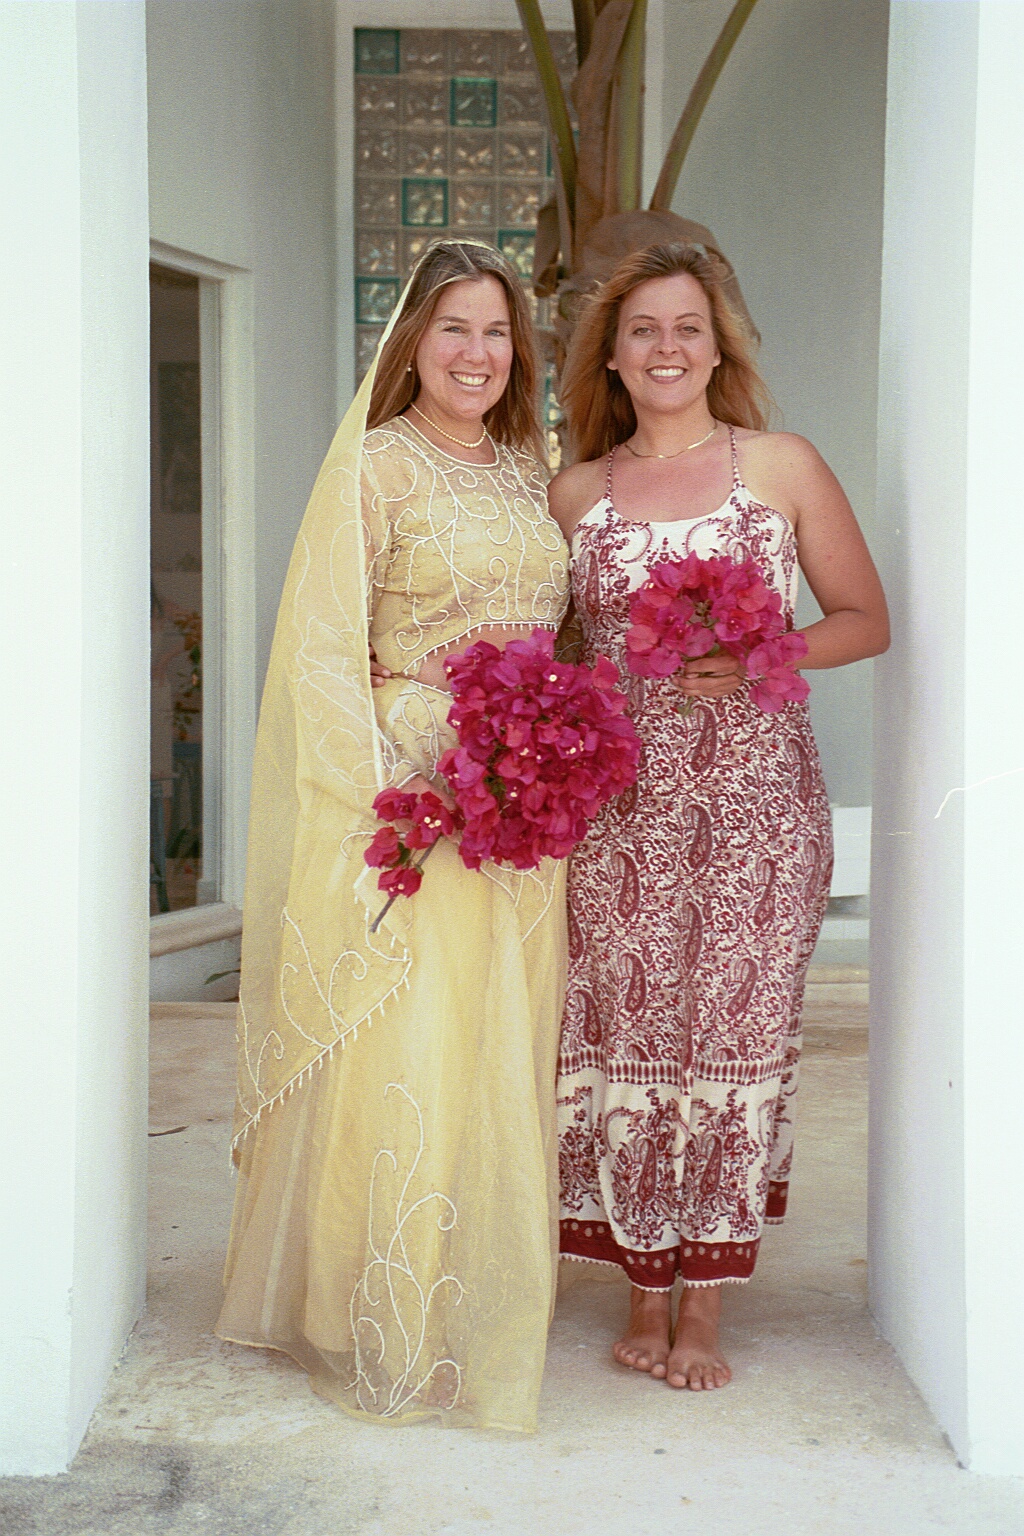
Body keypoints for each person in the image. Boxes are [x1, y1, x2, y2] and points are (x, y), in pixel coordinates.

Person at [216, 241, 570, 1431]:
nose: (477, 353)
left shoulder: (528, 472)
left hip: (529, 811)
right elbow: (322, 648)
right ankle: (374, 1313)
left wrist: (556, 739)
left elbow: (556, 632)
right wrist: (398, 775)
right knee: (414, 1050)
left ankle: (477, 1299)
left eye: (496, 331)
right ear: (410, 341)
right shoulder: (373, 469)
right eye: (454, 327)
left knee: (498, 1051)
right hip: (423, 799)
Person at [547, 242, 889, 1392]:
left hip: (757, 812)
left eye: (687, 327)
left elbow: (863, 617)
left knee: (734, 1037)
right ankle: (642, 1288)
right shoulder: (575, 495)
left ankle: (703, 1305)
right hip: (622, 818)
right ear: (611, 355)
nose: (667, 347)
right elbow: (561, 656)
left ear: (716, 345)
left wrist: (757, 656)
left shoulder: (779, 465)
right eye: (642, 329)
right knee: (628, 1035)